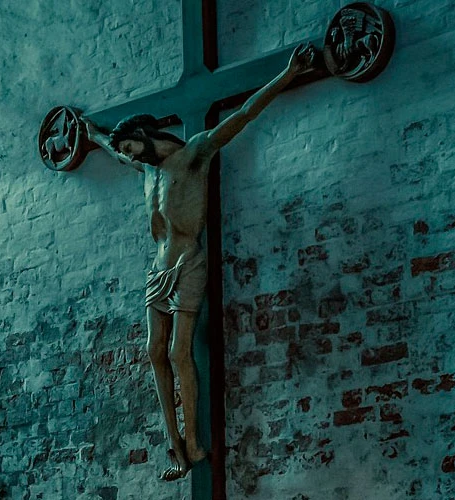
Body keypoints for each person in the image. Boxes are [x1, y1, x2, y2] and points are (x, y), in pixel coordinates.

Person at [82, 42, 316, 481]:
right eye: (128, 153)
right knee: (153, 351)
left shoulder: (194, 153)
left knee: (178, 351)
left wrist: (287, 74)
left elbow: (243, 115)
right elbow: (114, 153)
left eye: (133, 147)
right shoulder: (146, 171)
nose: (131, 156)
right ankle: (173, 445)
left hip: (188, 261)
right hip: (157, 270)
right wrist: (93, 134)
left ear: (146, 134)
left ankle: (192, 440)